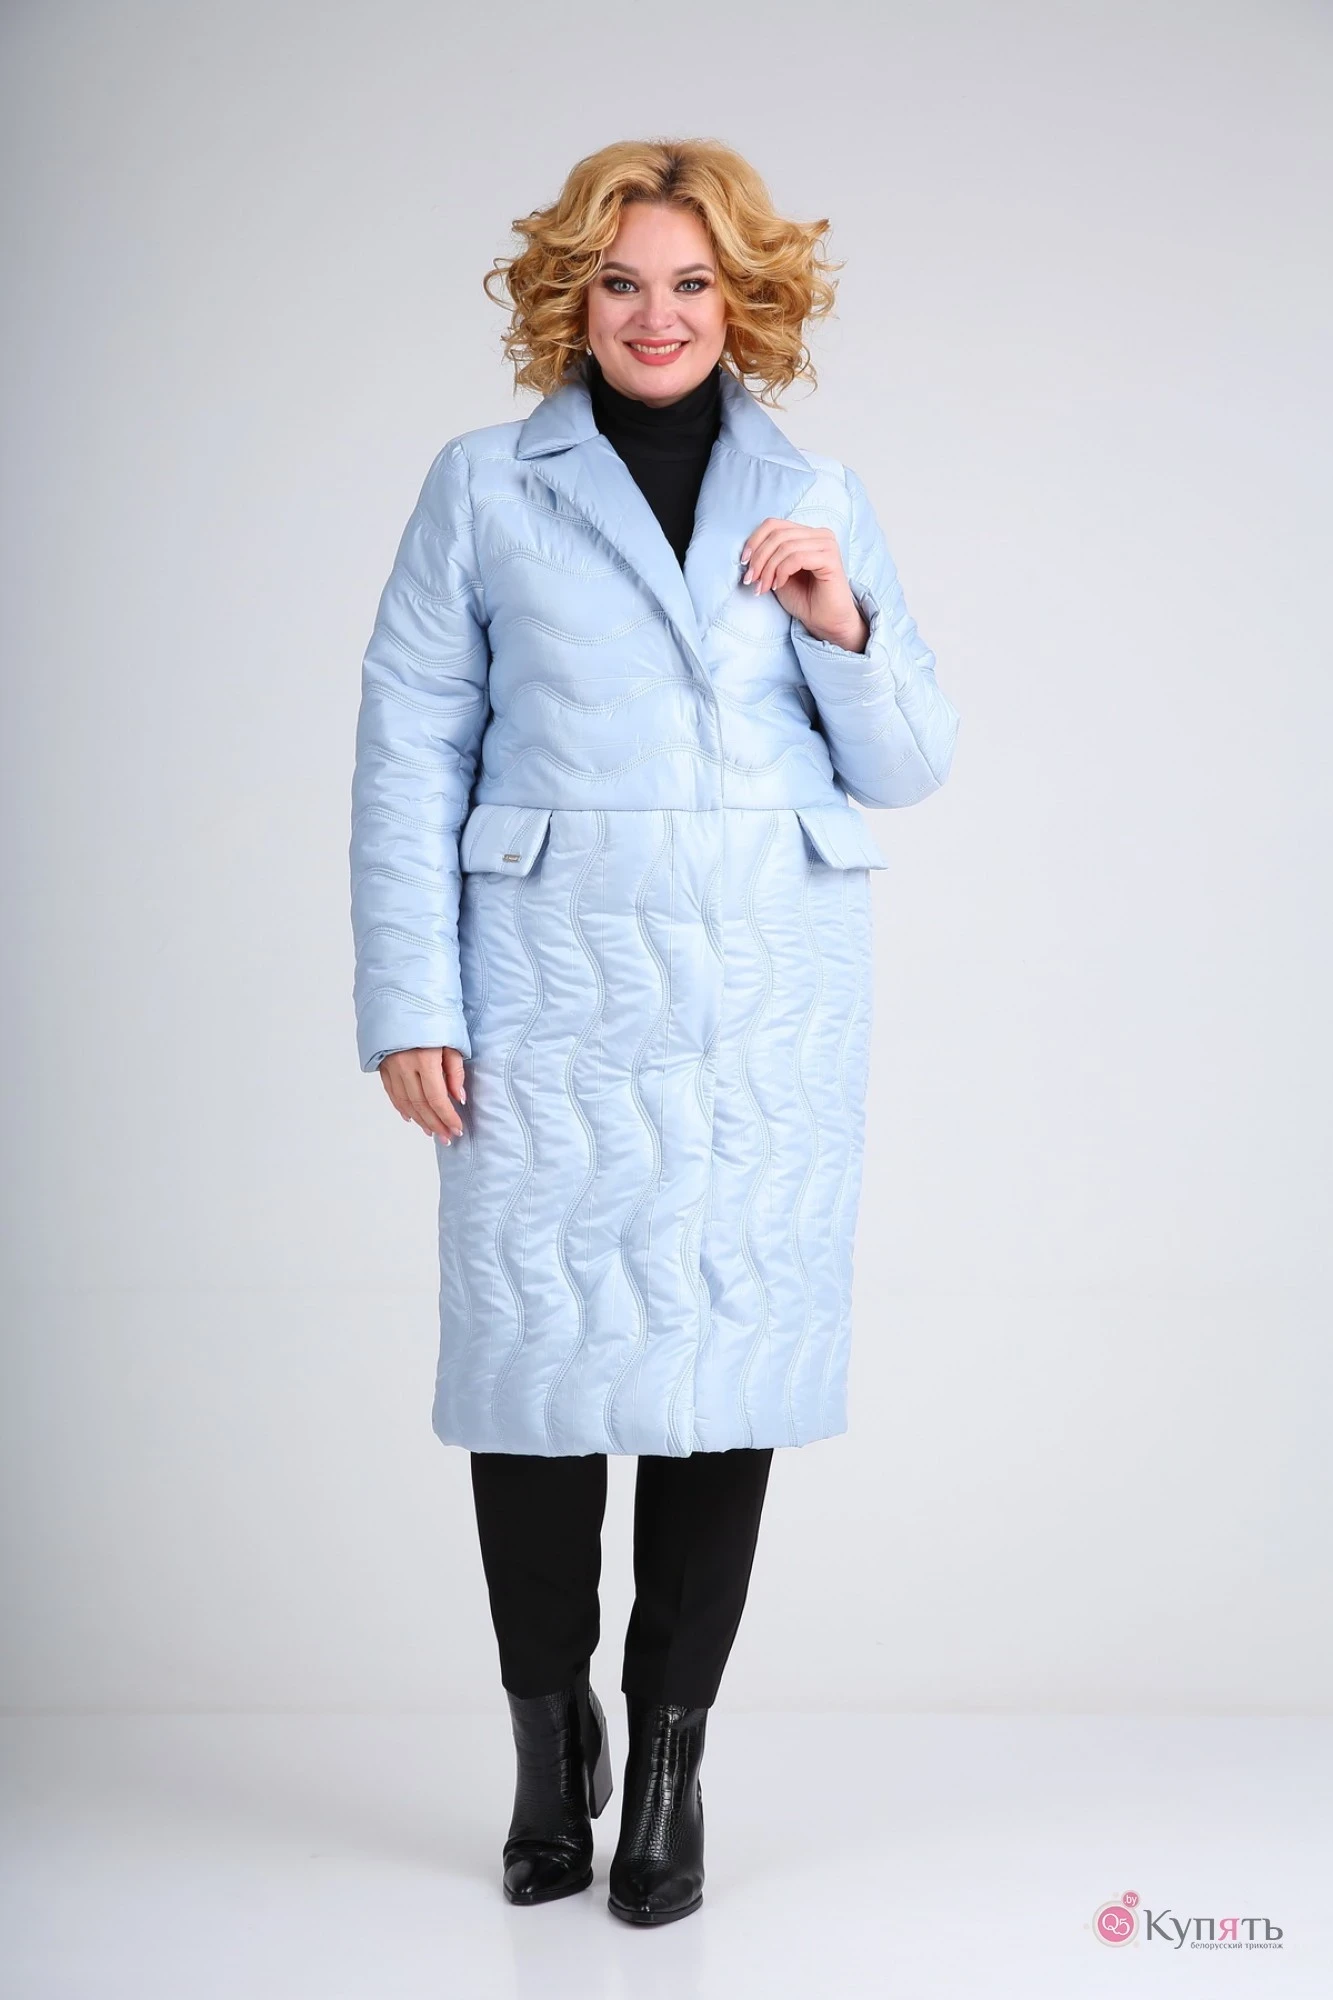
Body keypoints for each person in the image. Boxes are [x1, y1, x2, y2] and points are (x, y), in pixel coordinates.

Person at [348, 137, 960, 1926]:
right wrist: (411, 1001)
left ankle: (673, 1761)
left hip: (760, 1000)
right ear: (574, 296)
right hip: (547, 986)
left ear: (744, 297)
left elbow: (910, 762)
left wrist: (838, 623)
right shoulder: (484, 484)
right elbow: (408, 750)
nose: (658, 315)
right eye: (622, 282)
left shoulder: (819, 493)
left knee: (717, 1385)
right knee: (539, 1379)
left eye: (693, 282)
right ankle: (552, 1751)